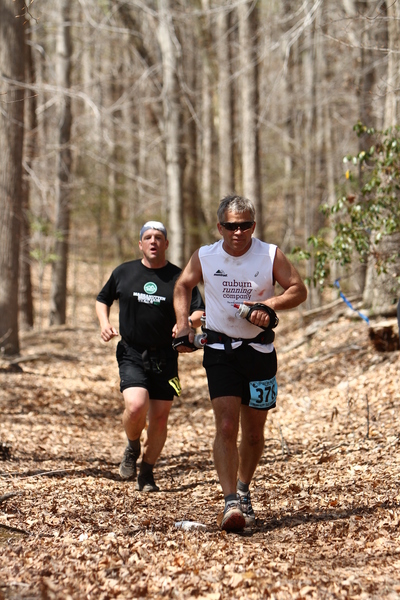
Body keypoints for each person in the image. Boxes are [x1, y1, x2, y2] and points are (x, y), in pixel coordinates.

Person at [173, 195, 307, 531]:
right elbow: (183, 285)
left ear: (253, 226)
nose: (238, 232)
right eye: (231, 226)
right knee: (226, 426)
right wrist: (183, 323)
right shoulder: (205, 256)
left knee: (254, 435)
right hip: (220, 351)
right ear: (220, 227)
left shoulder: (269, 254)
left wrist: (270, 305)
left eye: (245, 225)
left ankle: (244, 488)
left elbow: (298, 289)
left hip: (260, 352)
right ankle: (230, 500)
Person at [96, 221, 204, 492]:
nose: (153, 241)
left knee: (159, 418)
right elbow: (102, 299)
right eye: (148, 237)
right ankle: (133, 445)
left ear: (166, 244)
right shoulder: (124, 272)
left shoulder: (179, 277)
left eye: (158, 237)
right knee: (135, 406)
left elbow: (199, 311)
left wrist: (185, 323)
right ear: (140, 244)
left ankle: (146, 472)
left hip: (166, 356)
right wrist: (104, 323)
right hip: (132, 351)